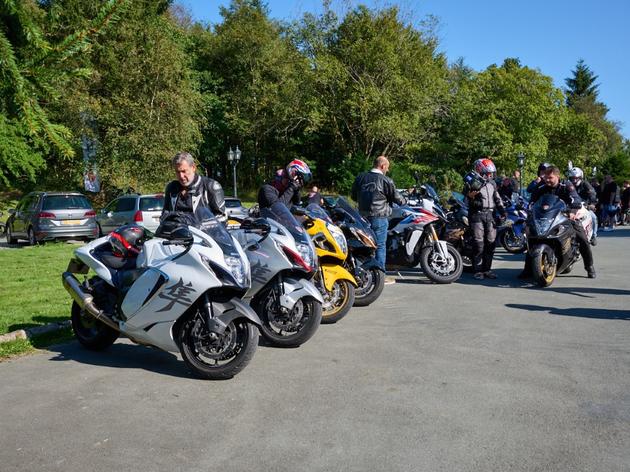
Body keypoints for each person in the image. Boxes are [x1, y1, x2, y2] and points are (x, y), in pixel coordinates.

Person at [520, 165, 596, 279]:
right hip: (546, 218)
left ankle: (589, 267)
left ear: (557, 176)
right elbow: (532, 201)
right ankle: (527, 269)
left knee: (582, 238)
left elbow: (575, 199)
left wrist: (572, 211)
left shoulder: (566, 185)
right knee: (532, 237)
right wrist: (529, 211)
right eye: (546, 177)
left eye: (550, 177)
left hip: (565, 217)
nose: (547, 180)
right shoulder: (542, 187)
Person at [351, 155, 406, 282]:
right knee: (380, 246)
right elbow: (398, 199)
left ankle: (364, 274)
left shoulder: (360, 178)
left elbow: (354, 196)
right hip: (379, 217)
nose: (387, 170)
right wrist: (405, 200)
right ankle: (380, 277)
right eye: (387, 168)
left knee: (364, 246)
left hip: (362, 218)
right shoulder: (386, 180)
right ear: (383, 166)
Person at [463, 158, 506, 280]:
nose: (490, 175)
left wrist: (503, 211)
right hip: (476, 214)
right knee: (479, 243)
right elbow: (465, 200)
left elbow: (497, 198)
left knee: (491, 243)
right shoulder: (470, 183)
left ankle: (487, 270)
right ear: (480, 171)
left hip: (490, 215)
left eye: (491, 173)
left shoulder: (492, 183)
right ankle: (477, 270)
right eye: (488, 173)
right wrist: (470, 196)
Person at [161, 152, 226, 220]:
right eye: (177, 172)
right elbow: (164, 215)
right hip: (177, 229)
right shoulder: (171, 188)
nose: (181, 176)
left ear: (193, 167)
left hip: (203, 230)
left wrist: (197, 226)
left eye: (184, 171)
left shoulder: (211, 186)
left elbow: (222, 217)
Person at [567, 167, 598, 245]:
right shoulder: (567, 184)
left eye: (576, 178)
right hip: (571, 206)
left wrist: (592, 204)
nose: (574, 180)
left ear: (580, 177)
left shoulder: (585, 184)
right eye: (572, 178)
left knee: (593, 217)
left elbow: (592, 193)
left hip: (585, 206)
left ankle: (593, 236)